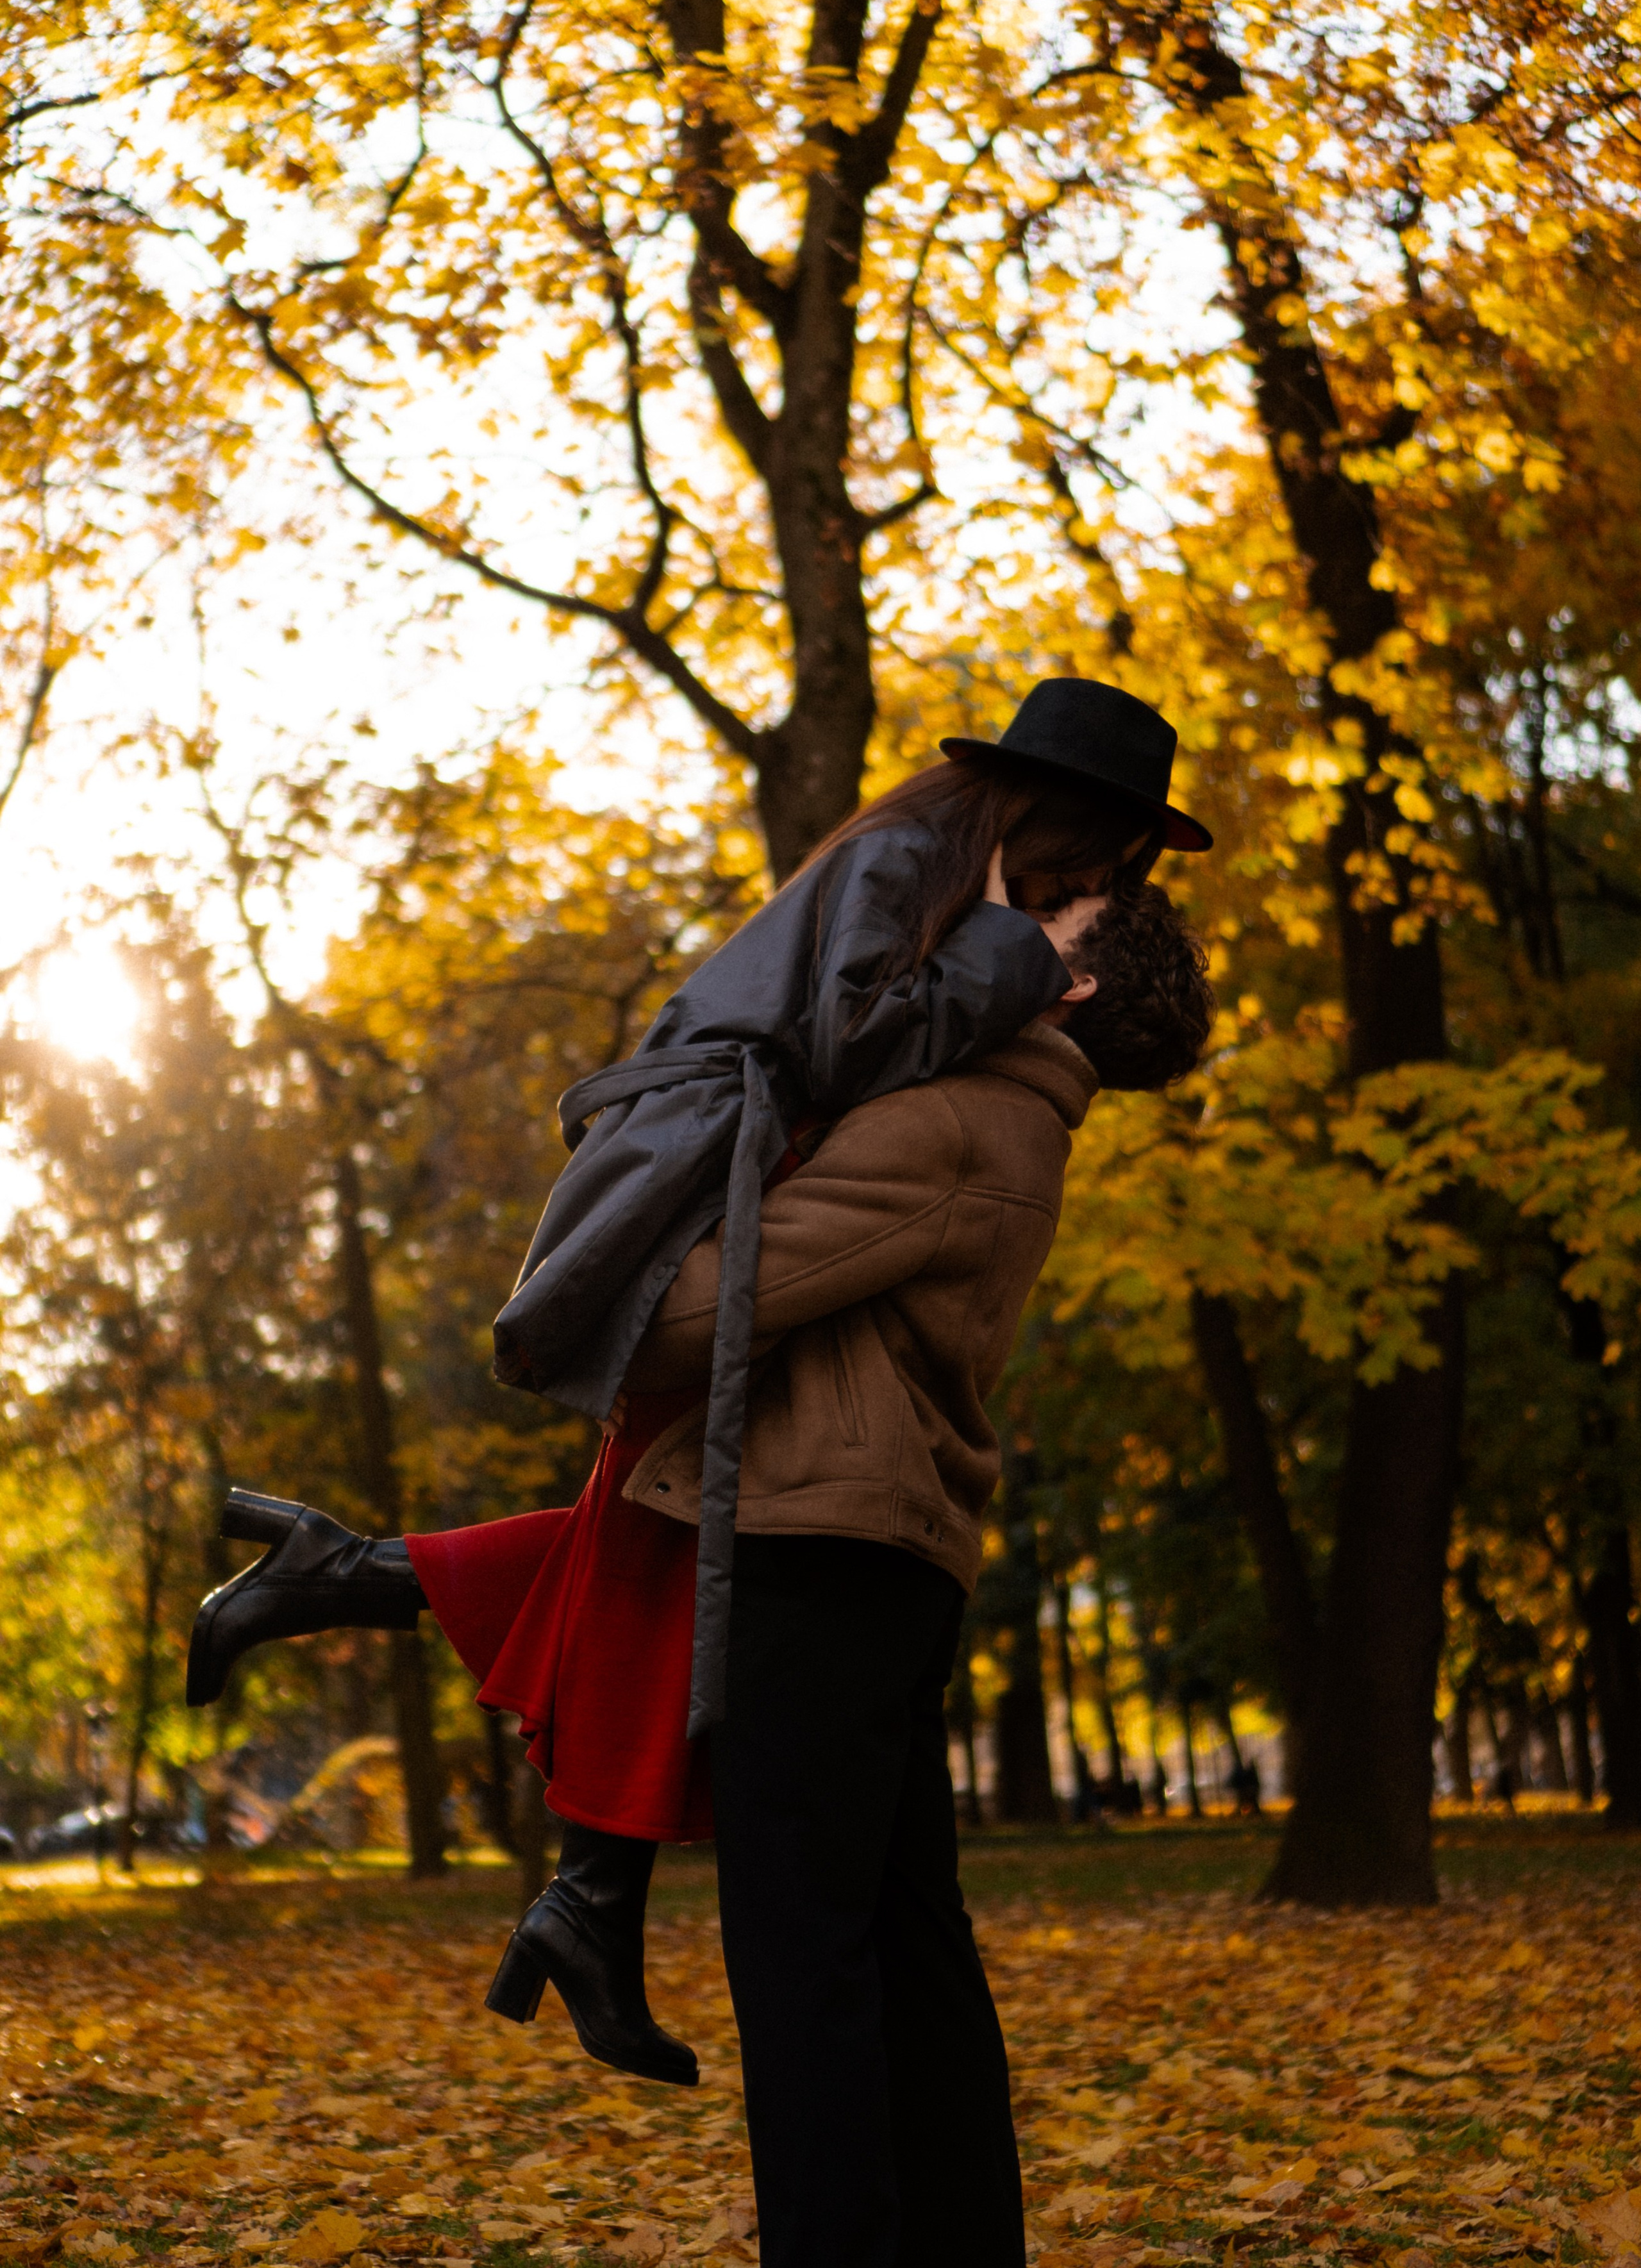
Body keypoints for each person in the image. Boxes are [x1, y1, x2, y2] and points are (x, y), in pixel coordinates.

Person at [183, 685, 1213, 2145]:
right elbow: (851, 1038)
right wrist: (998, 948)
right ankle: (564, 1866)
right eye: (1106, 865)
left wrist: (991, 952)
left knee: (669, 1511)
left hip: (801, 1397)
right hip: (710, 1150)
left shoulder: (964, 1046)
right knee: (675, 1501)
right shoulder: (916, 892)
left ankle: (514, 1798)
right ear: (1060, 825)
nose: (1101, 893)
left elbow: (857, 1073)